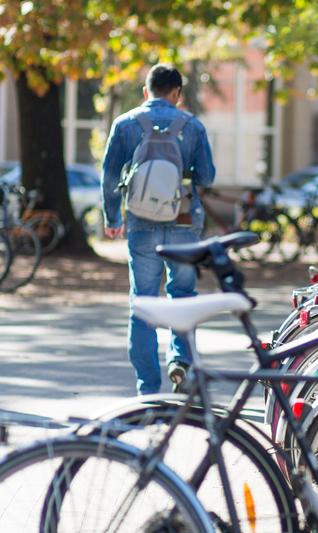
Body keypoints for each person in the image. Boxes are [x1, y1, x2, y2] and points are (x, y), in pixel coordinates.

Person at [101, 63, 215, 395]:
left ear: (145, 91)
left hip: (141, 222)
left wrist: (113, 219)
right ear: (177, 93)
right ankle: (181, 362)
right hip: (182, 221)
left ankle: (148, 389)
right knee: (182, 297)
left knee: (143, 302)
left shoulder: (125, 124)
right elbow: (206, 178)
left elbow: (109, 177)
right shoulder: (192, 126)